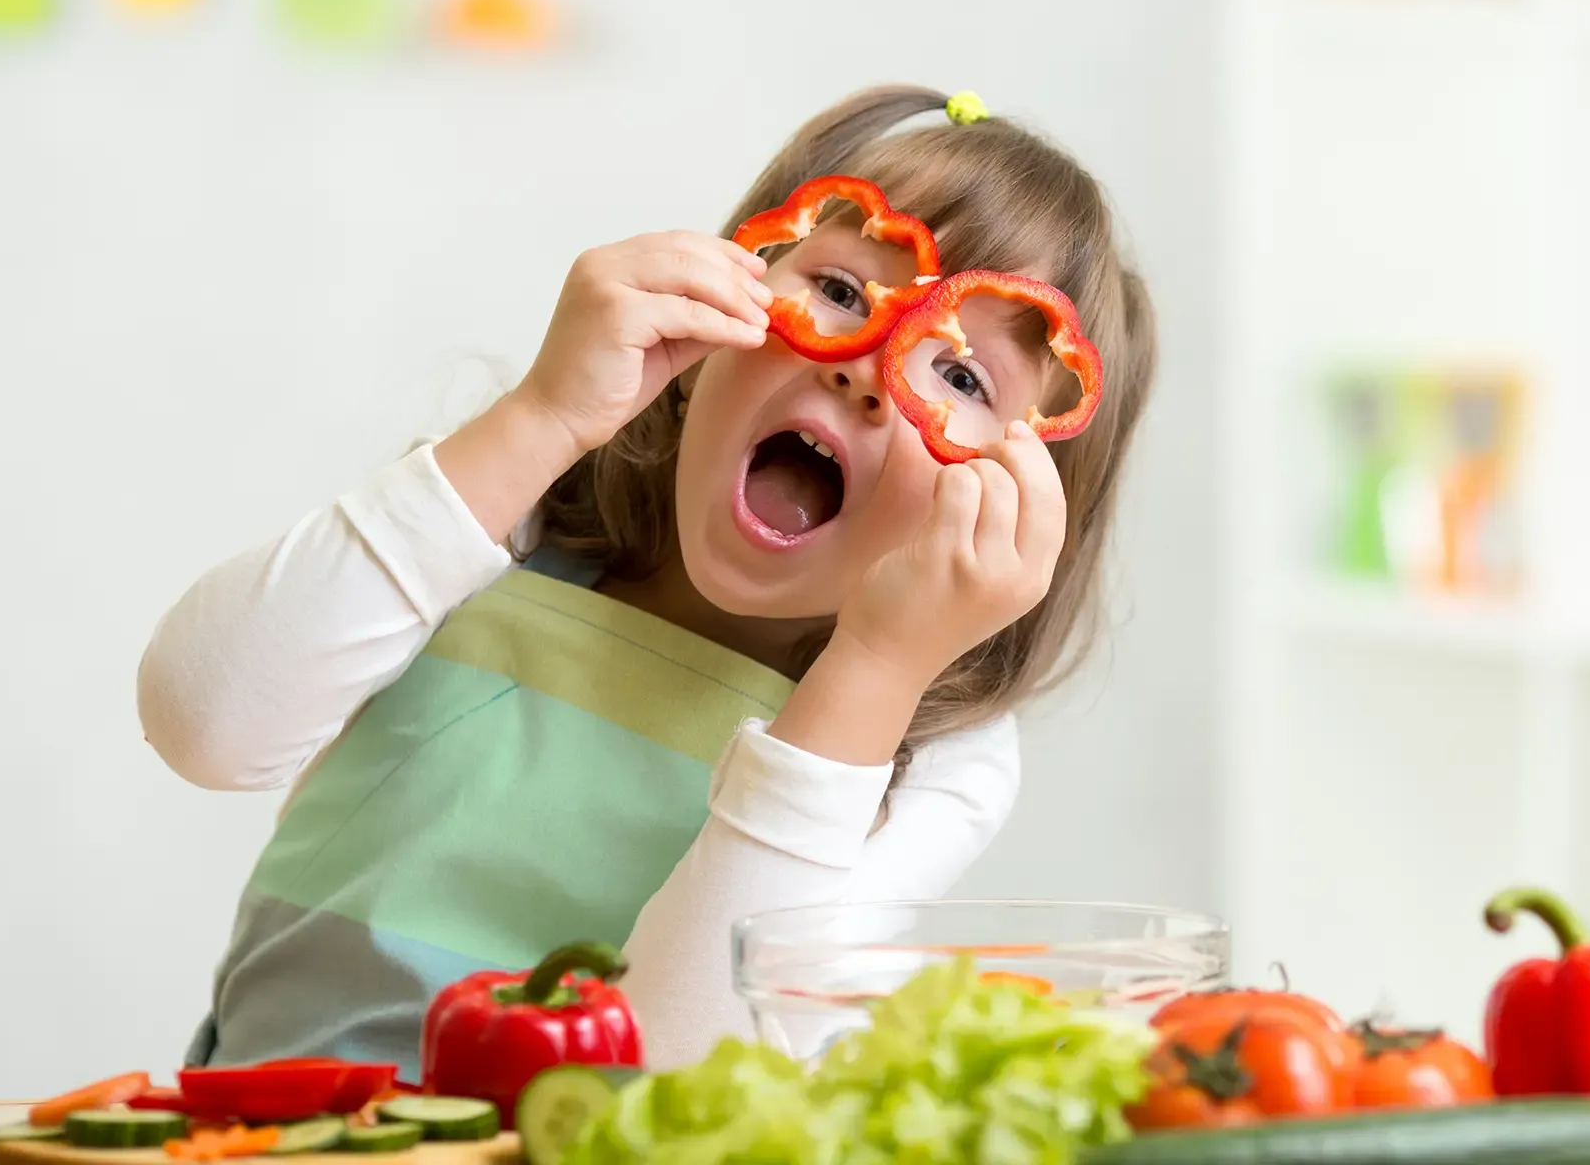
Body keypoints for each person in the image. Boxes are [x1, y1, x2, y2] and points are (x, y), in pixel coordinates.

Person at [137, 83, 1159, 1078]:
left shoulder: (941, 756)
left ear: (1022, 506)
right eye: (842, 292)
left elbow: (682, 1066)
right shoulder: (510, 520)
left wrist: (877, 667)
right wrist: (540, 416)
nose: (866, 367)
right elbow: (202, 724)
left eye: (962, 376)